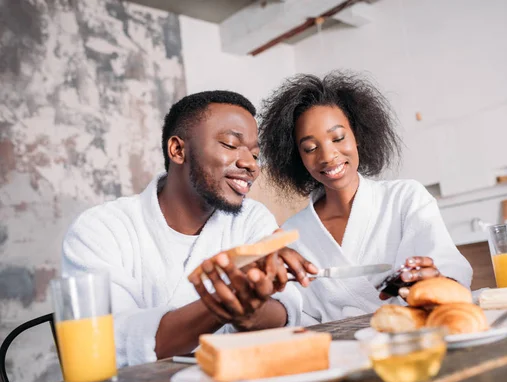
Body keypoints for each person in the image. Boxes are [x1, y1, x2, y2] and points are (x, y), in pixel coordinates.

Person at [61, 91, 316, 367]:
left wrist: (251, 312)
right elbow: (110, 341)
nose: (251, 165)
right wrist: (222, 305)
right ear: (178, 150)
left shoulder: (252, 218)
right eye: (231, 144)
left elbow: (284, 309)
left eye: (255, 154)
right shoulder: (101, 229)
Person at [258, 71, 472, 325]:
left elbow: (449, 269)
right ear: (298, 157)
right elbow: (298, 315)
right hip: (340, 352)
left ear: (357, 136)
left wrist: (438, 279)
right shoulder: (292, 233)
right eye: (310, 148)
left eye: (338, 138)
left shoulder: (405, 198)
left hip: (417, 337)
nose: (328, 156)